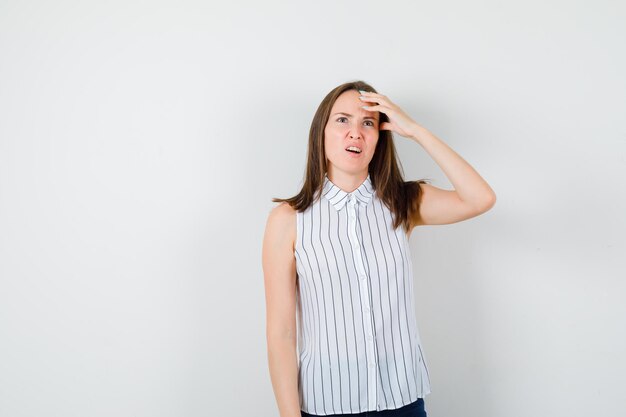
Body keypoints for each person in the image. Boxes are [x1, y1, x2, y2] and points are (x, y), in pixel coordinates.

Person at [262, 80, 496, 417]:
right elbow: (281, 334)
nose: (355, 132)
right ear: (321, 133)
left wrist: (414, 130)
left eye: (367, 123)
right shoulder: (287, 220)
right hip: (327, 404)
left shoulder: (403, 202)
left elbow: (480, 198)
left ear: (379, 138)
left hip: (403, 402)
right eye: (342, 120)